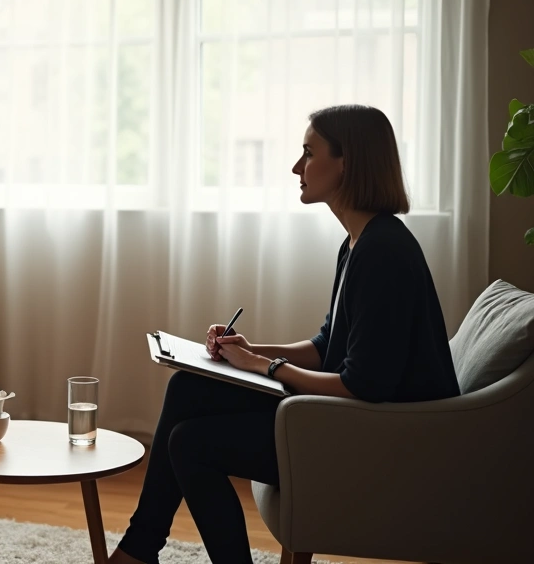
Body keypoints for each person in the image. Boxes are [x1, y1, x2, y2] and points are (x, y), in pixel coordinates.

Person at [109, 105, 461, 564]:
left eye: (309, 153)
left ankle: (139, 550)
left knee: (190, 443)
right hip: (350, 421)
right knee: (188, 386)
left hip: (377, 440)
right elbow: (326, 346)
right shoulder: (361, 242)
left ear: (347, 163)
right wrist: (248, 350)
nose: (297, 167)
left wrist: (265, 366)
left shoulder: (384, 253)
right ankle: (139, 551)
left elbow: (363, 385)